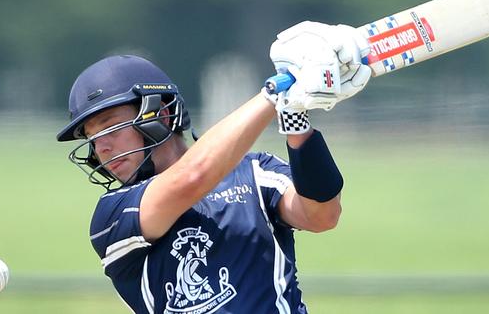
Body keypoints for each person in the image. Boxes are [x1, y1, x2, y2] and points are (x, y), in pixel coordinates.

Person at [56, 21, 371, 313]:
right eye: (92, 138)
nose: (102, 147)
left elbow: (322, 215)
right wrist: (276, 92)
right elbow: (193, 177)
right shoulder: (113, 215)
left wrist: (295, 116)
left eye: (110, 128)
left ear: (160, 115)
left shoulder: (256, 171)